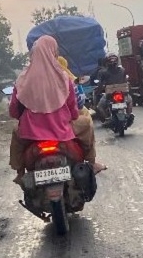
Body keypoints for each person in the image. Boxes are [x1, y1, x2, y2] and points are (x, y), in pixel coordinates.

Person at [9, 36, 103, 179]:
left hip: (31, 133)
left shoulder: (22, 79)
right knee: (87, 122)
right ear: (54, 53)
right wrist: (69, 117)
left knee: (16, 133)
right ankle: (91, 162)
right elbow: (73, 111)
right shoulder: (64, 78)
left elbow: (14, 111)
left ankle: (20, 172)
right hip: (61, 130)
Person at [91, 54, 127, 118]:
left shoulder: (103, 72)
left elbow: (99, 84)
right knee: (129, 101)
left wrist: (98, 90)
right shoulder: (122, 70)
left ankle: (106, 118)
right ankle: (129, 114)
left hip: (111, 93)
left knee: (99, 107)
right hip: (122, 92)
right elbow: (125, 80)